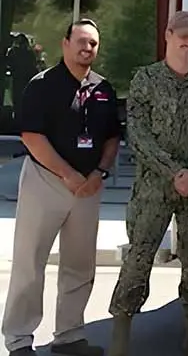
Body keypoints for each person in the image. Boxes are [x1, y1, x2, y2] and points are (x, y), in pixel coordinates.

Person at [108, 10, 188, 356]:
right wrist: (174, 171)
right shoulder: (146, 79)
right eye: (184, 36)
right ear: (168, 34)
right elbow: (139, 134)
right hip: (154, 187)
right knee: (139, 257)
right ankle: (121, 331)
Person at [1, 19, 120, 356]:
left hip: (88, 186)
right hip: (46, 181)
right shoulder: (42, 86)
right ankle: (20, 340)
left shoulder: (103, 89)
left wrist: (99, 172)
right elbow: (32, 137)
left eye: (93, 44)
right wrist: (68, 175)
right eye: (81, 41)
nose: (87, 48)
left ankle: (69, 336)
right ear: (65, 43)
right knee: (30, 262)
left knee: (79, 265)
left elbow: (112, 136)